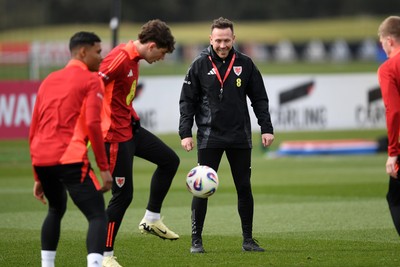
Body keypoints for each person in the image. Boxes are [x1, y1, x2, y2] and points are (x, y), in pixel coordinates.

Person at [179, 17, 274, 253]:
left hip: (239, 137)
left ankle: (248, 240)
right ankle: (196, 241)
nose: (222, 45)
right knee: (201, 189)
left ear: (234, 39)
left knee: (244, 187)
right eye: (218, 40)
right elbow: (187, 102)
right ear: (211, 39)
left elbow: (259, 98)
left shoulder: (246, 63)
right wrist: (185, 133)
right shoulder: (199, 65)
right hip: (209, 137)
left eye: (227, 40)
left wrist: (266, 127)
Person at [99, 19, 180, 267]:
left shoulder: (133, 59)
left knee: (169, 160)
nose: (161, 58)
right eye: (162, 53)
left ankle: (151, 219)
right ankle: (103, 256)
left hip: (131, 131)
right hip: (114, 137)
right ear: (152, 46)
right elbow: (92, 84)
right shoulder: (121, 57)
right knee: (122, 196)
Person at [29, 31, 113, 267]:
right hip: (70, 158)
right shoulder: (91, 80)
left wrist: (38, 176)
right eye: (98, 52)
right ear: (83, 52)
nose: (101, 57)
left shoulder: (48, 80)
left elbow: (33, 128)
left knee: (55, 209)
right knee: (97, 215)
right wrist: (103, 168)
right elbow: (94, 124)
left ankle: (47, 265)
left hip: (42, 159)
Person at [377, 15, 400, 235]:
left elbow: (394, 111)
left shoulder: (389, 68)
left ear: (390, 41)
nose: (382, 45)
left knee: (395, 198)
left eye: (382, 41)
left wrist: (393, 152)